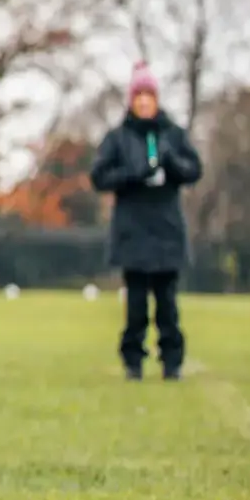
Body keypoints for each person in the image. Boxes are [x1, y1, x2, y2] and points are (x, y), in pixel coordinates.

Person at [90, 61, 202, 381]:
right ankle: (133, 362)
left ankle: (172, 361)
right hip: (133, 231)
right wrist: (132, 175)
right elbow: (99, 176)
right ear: (131, 99)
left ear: (156, 99)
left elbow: (194, 170)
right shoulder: (118, 138)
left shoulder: (173, 135)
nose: (143, 102)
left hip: (166, 229)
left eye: (148, 95)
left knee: (167, 304)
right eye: (137, 95)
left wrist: (173, 165)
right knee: (135, 305)